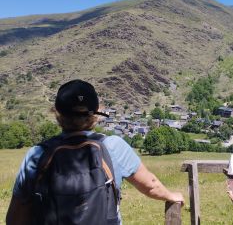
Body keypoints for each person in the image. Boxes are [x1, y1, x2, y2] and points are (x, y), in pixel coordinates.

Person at [6, 79, 184, 225]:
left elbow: (15, 218)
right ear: (95, 114)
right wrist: (170, 195)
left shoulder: (37, 155)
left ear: (57, 114)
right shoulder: (113, 146)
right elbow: (150, 185)